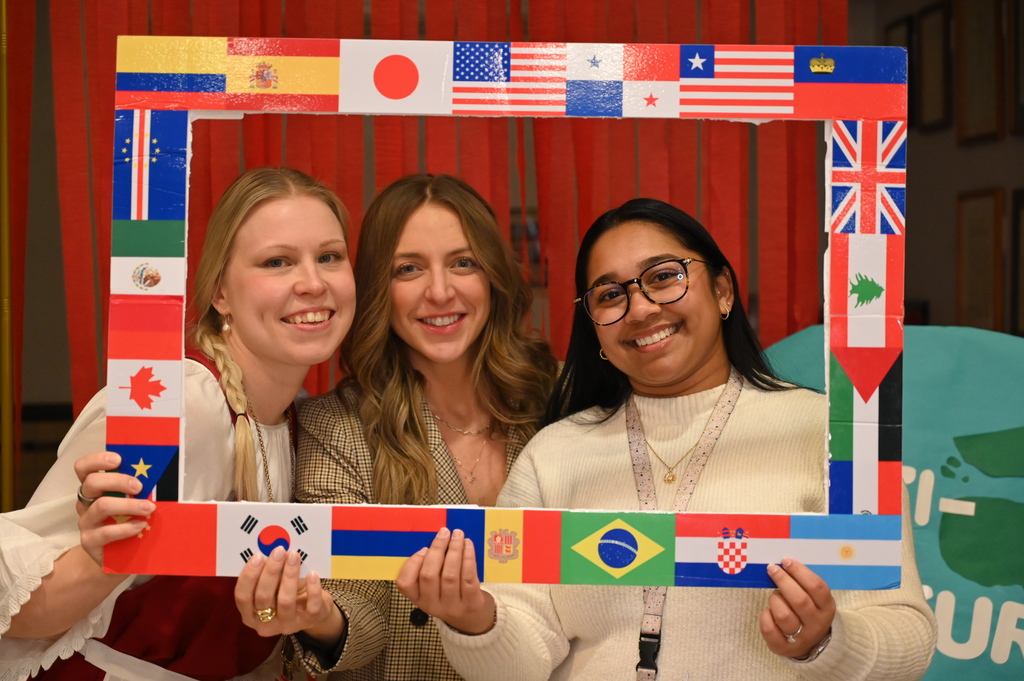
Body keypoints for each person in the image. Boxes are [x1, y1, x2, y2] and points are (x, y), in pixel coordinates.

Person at [397, 199, 938, 680]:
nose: (641, 308)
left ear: (722, 290)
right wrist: (474, 620)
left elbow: (907, 637)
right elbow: (522, 662)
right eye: (610, 295)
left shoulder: (830, 438)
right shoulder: (554, 456)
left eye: (663, 277)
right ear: (597, 333)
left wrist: (827, 642)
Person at [0, 167, 357, 680]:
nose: (313, 282)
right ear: (220, 294)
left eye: (329, 256)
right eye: (276, 262)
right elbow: (20, 608)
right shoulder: (171, 405)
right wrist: (101, 557)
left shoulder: (301, 422)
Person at [233, 173, 559, 680]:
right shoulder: (335, 426)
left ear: (493, 274)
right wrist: (318, 616)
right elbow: (358, 607)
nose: (439, 291)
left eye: (463, 262)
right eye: (408, 269)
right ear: (377, 289)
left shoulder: (560, 401)